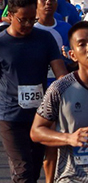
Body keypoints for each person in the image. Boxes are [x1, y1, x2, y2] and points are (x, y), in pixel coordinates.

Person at [0, 0, 68, 183]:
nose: (28, 24)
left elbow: (61, 74)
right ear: (9, 16)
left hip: (40, 117)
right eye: (22, 19)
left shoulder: (45, 39)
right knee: (23, 171)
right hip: (9, 116)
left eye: (31, 19)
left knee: (34, 169)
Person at [31, 21, 88, 183]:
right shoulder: (60, 88)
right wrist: (69, 138)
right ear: (72, 55)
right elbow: (36, 131)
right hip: (72, 177)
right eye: (82, 44)